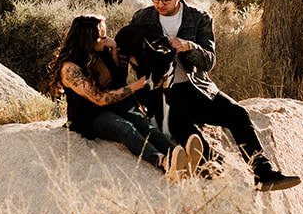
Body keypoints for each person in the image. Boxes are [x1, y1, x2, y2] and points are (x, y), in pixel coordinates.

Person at [130, 0, 302, 191]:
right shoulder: (141, 18)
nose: (159, 4)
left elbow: (209, 61)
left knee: (238, 114)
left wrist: (188, 46)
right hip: (162, 94)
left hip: (196, 88)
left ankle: (264, 173)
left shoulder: (199, 17)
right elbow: (129, 52)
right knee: (183, 127)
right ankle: (212, 165)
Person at [47, 14, 202, 178]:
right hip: (90, 115)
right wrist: (137, 85)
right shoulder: (70, 68)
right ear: (87, 39)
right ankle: (164, 162)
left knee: (145, 126)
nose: (107, 39)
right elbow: (100, 99)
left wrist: (114, 52)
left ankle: (182, 158)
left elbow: (117, 81)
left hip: (115, 105)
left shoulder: (101, 52)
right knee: (125, 128)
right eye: (102, 36)